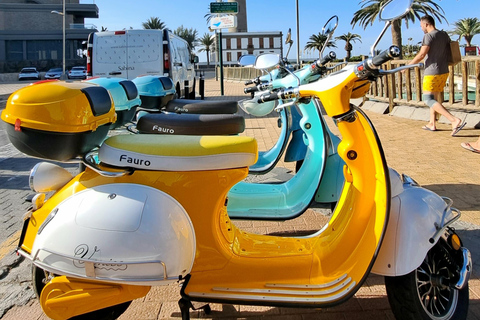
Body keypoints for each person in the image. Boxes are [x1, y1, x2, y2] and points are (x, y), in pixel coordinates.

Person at [407, 15, 466, 136]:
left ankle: (453, 120)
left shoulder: (428, 36)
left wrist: (409, 65)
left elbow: (422, 54)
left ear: (426, 24)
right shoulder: (443, 35)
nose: (421, 28)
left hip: (432, 72)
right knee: (434, 98)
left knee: (428, 99)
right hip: (443, 71)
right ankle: (432, 123)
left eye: (421, 25)